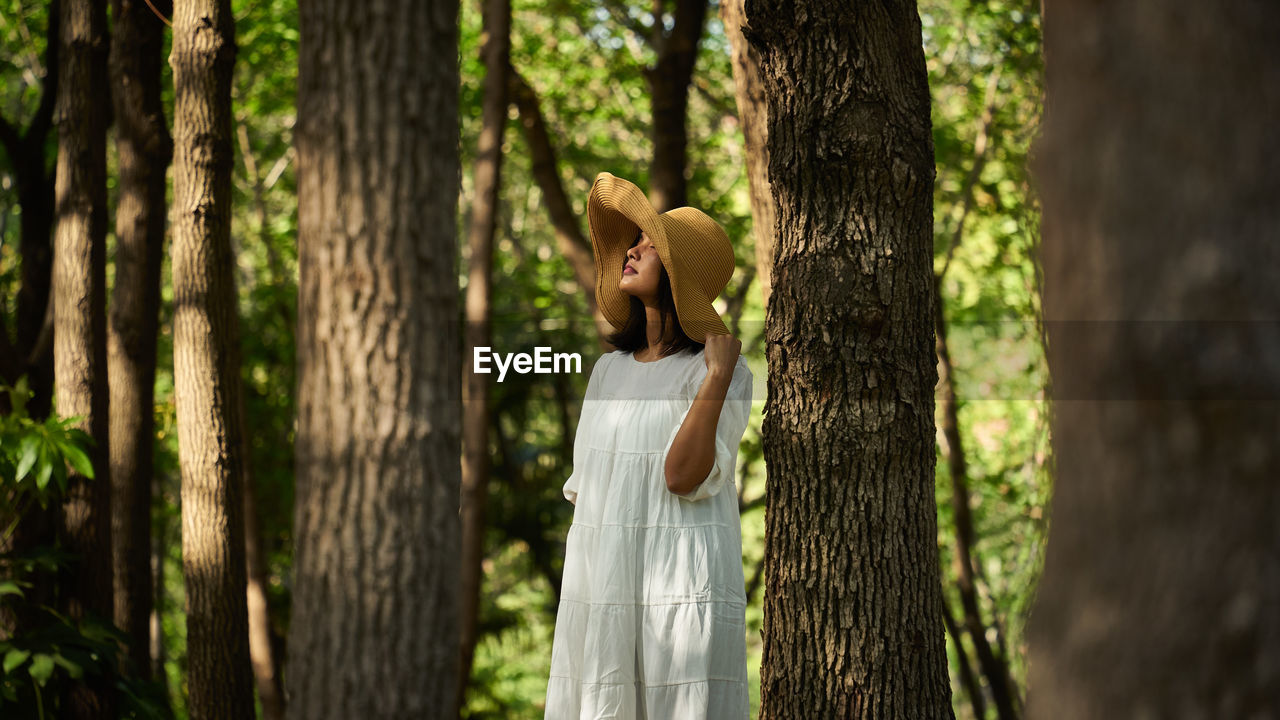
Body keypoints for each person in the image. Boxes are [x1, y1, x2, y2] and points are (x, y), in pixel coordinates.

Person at [545, 172, 754, 719]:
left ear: (677, 272)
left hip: (680, 585)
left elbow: (681, 477)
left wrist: (714, 378)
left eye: (649, 245)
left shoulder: (721, 373)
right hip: (607, 584)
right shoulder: (607, 373)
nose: (633, 249)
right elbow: (591, 503)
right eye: (635, 240)